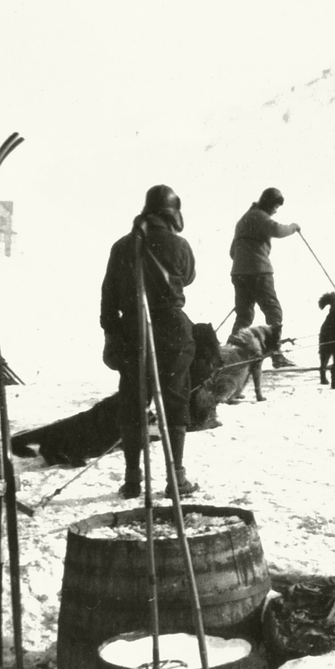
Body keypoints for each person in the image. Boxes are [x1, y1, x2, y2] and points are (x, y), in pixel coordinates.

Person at [100, 184, 200, 499]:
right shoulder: (179, 244)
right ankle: (176, 480)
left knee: (133, 405)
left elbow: (108, 297)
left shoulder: (122, 246)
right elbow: (189, 276)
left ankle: (132, 480)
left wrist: (113, 332)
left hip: (132, 330)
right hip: (171, 330)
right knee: (174, 405)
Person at [229, 187, 301, 368]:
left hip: (239, 273)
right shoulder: (259, 216)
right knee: (273, 311)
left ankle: (230, 354)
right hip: (259, 272)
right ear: (270, 203)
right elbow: (277, 229)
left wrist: (244, 263)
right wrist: (293, 227)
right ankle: (276, 354)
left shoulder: (243, 219)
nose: (276, 211)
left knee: (244, 316)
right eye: (276, 207)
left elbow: (232, 252)